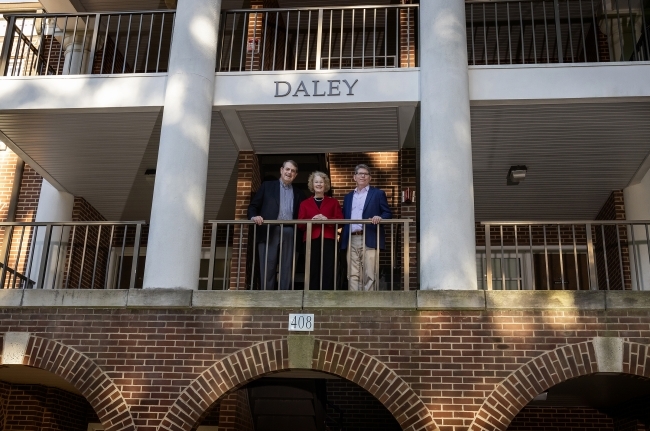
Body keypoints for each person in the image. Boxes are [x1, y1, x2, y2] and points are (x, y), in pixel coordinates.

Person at [247, 160, 305, 290]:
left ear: (295, 175)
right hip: (269, 231)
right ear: (281, 170)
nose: (289, 173)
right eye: (287, 169)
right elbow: (253, 206)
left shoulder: (299, 193)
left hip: (290, 231)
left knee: (287, 266)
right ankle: (267, 297)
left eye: (293, 171)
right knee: (268, 266)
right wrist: (254, 216)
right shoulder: (267, 186)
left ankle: (284, 296)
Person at [340, 164, 392, 291]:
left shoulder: (378, 194)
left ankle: (369, 302)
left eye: (366, 174)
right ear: (354, 177)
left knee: (370, 272)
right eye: (359, 173)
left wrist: (379, 217)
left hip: (369, 236)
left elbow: (387, 213)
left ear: (370, 178)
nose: (362, 176)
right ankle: (354, 301)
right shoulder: (348, 197)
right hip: (351, 238)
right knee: (352, 273)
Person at [298, 171, 343, 290]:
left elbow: (340, 221)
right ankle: (312, 295)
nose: (319, 184)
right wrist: (311, 220)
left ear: (325, 184)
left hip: (328, 238)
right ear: (312, 185)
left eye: (321, 182)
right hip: (311, 239)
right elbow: (300, 224)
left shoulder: (333, 202)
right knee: (312, 267)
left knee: (328, 267)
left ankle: (327, 294)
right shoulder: (304, 203)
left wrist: (327, 219)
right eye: (316, 182)